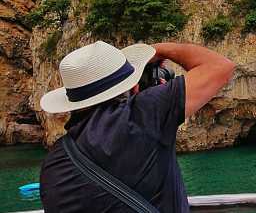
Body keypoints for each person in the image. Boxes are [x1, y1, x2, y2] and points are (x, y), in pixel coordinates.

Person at [39, 41, 235, 213]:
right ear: (133, 87)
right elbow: (220, 67)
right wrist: (159, 50)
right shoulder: (143, 114)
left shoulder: (52, 165)